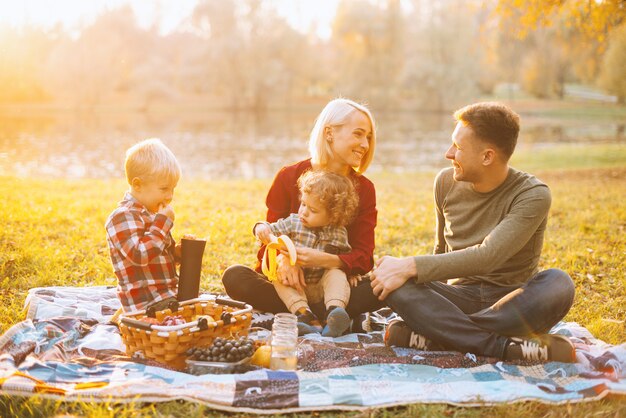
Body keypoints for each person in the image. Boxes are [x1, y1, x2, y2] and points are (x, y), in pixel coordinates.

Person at [371, 102, 577, 363]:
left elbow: (488, 255)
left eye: (458, 147)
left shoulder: (532, 194)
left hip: (513, 302)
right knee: (398, 284)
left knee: (559, 283)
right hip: (456, 299)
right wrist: (409, 280)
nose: (448, 153)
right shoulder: (445, 182)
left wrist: (411, 269)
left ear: (487, 156)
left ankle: (438, 335)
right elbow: (441, 251)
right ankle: (502, 347)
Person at [222, 98, 385, 328]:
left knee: (386, 286)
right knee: (235, 276)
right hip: (290, 285)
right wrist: (283, 259)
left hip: (334, 285)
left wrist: (329, 261)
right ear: (329, 133)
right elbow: (267, 242)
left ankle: (326, 312)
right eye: (358, 134)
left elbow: (364, 256)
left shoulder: (364, 189)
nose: (365, 144)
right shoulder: (289, 177)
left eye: (368, 137)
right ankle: (308, 313)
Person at [254, 170, 359, 337]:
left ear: (333, 216)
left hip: (322, 289)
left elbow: (344, 258)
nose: (304, 212)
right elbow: (271, 229)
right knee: (277, 277)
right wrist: (261, 227)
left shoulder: (339, 233)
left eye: (313, 210)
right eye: (303, 204)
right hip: (296, 284)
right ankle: (305, 315)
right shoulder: (293, 222)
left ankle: (334, 312)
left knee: (337, 272)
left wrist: (351, 273)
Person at [105, 138, 184, 313]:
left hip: (166, 296)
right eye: (164, 189)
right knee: (192, 323)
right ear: (138, 184)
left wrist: (177, 253)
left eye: (173, 188)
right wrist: (162, 224)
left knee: (207, 313)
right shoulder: (121, 217)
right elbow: (140, 256)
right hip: (146, 304)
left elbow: (158, 257)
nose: (170, 196)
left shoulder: (151, 214)